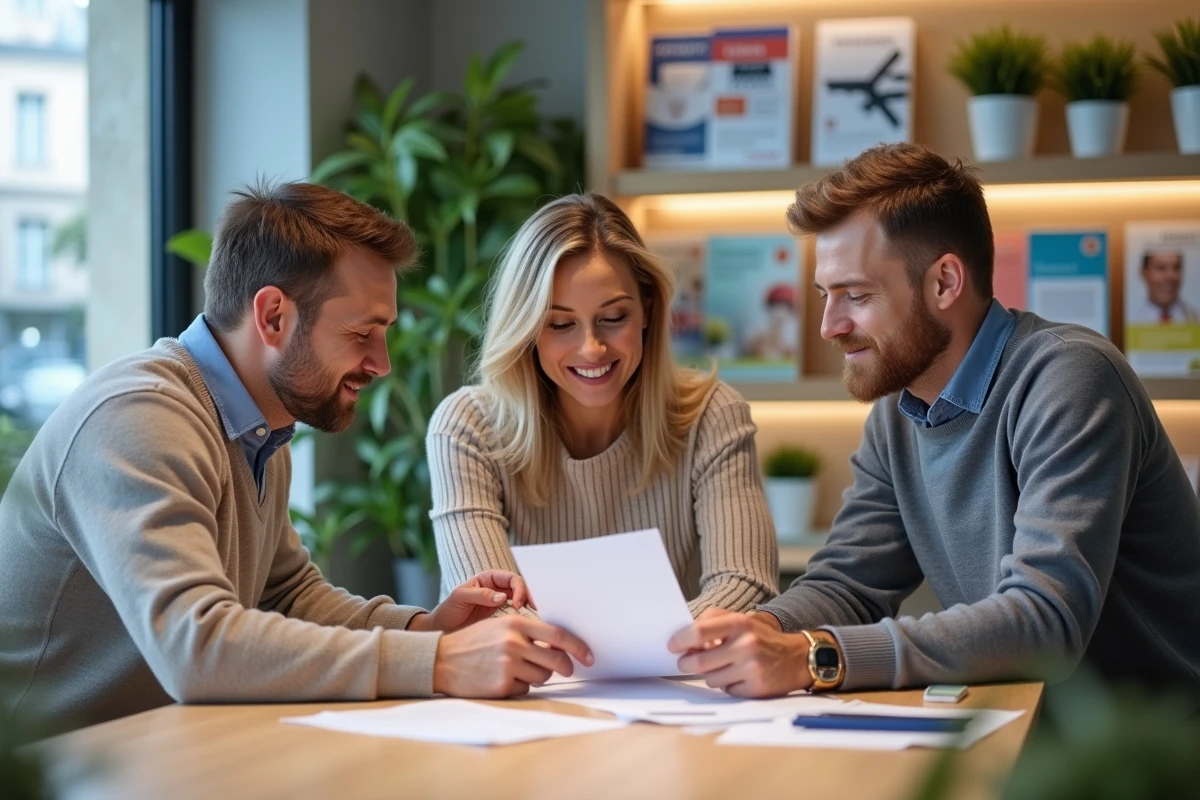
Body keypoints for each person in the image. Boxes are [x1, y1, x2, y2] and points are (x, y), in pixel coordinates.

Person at [0, 181, 592, 732]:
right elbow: (195, 646)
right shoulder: (139, 416)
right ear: (273, 316)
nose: (382, 363)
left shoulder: (256, 426)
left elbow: (289, 597)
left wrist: (426, 627)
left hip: (151, 748)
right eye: (363, 333)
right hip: (49, 767)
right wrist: (439, 660)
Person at [668, 143, 1200, 698]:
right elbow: (849, 583)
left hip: (1147, 755)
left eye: (857, 295)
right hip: (1025, 729)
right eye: (826, 295)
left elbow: (1046, 621)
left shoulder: (1069, 378)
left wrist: (814, 656)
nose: (829, 325)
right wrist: (764, 628)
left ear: (945, 282)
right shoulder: (898, 414)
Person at [428, 193, 778, 615]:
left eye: (614, 318)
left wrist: (637, 649)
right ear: (526, 329)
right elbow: (487, 609)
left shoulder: (713, 416)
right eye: (560, 324)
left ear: (647, 310)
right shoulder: (467, 427)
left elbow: (746, 585)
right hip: (533, 679)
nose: (591, 349)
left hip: (676, 677)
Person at [1127, 249, 1200, 324]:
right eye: (1161, 268)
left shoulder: (1195, 318)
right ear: (1143, 273)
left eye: (1176, 268)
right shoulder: (1128, 320)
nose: (1170, 276)